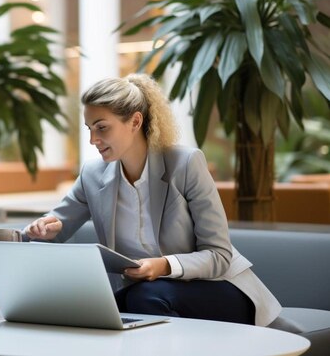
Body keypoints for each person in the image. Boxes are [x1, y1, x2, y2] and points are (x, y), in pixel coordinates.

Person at [24, 74, 281, 326]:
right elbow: (56, 224)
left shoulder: (185, 164)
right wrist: (45, 228)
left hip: (218, 288)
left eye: (102, 127)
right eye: (90, 129)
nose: (93, 140)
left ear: (135, 121)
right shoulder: (93, 174)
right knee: (107, 301)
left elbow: (219, 255)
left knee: (142, 297)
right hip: (145, 295)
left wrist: (164, 266)